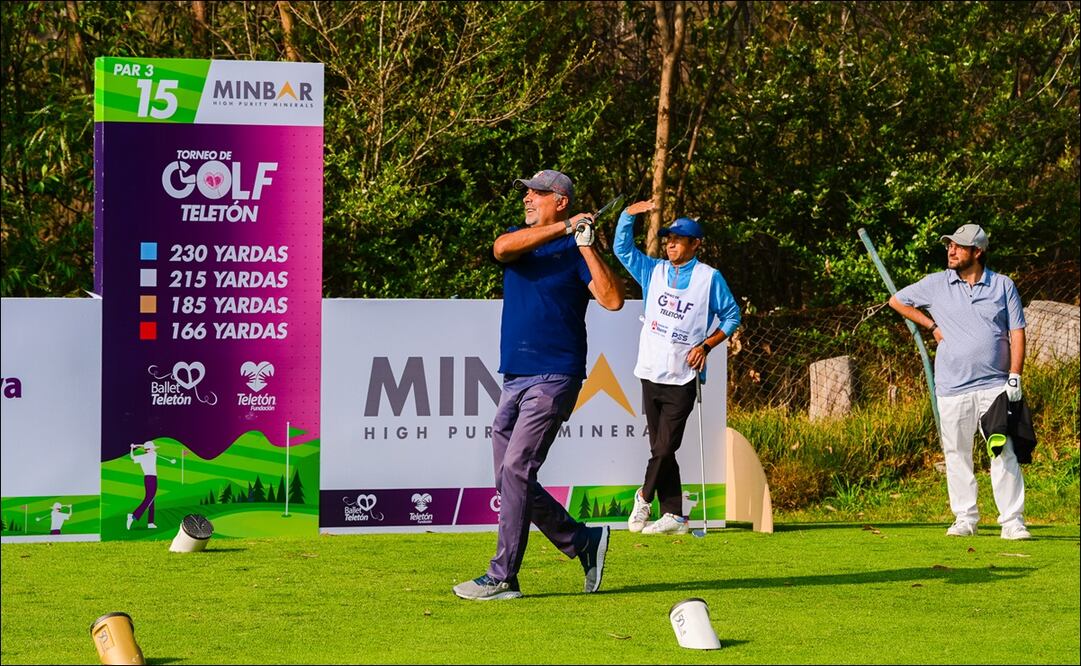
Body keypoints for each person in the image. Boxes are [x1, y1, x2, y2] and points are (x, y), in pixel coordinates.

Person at [453, 169, 625, 601]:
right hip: (515, 377)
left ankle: (503, 577)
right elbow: (500, 248)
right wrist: (566, 227)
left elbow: (612, 299)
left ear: (561, 200)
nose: (528, 198)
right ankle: (583, 542)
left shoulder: (575, 250)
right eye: (526, 193)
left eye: (538, 193)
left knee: (516, 470)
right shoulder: (520, 240)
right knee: (508, 477)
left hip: (556, 376)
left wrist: (584, 245)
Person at [889, 224, 1030, 540]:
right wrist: (931, 324)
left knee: (1003, 451)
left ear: (977, 252)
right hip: (952, 387)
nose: (951, 251)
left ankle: (1012, 521)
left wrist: (1015, 376)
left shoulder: (1003, 286)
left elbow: (1017, 333)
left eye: (958, 246)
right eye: (949, 246)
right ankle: (965, 519)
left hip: (996, 385)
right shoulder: (936, 284)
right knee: (956, 453)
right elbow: (896, 301)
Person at [613, 200, 741, 535]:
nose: (670, 243)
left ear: (695, 244)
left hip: (684, 375)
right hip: (650, 370)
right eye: (668, 238)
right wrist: (629, 215)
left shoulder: (709, 278)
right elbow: (621, 248)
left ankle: (643, 497)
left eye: (678, 239)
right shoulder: (652, 270)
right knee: (661, 447)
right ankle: (674, 515)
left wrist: (706, 346)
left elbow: (732, 316)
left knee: (665, 446)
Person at [127, 441, 175, 530]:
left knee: (151, 499)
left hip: (151, 478)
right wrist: (134, 447)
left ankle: (150, 522)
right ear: (149, 449)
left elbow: (134, 456)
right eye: (152, 448)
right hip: (150, 479)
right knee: (149, 498)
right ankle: (133, 516)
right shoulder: (148, 456)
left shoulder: (150, 455)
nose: (154, 449)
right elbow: (134, 456)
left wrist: (134, 447)